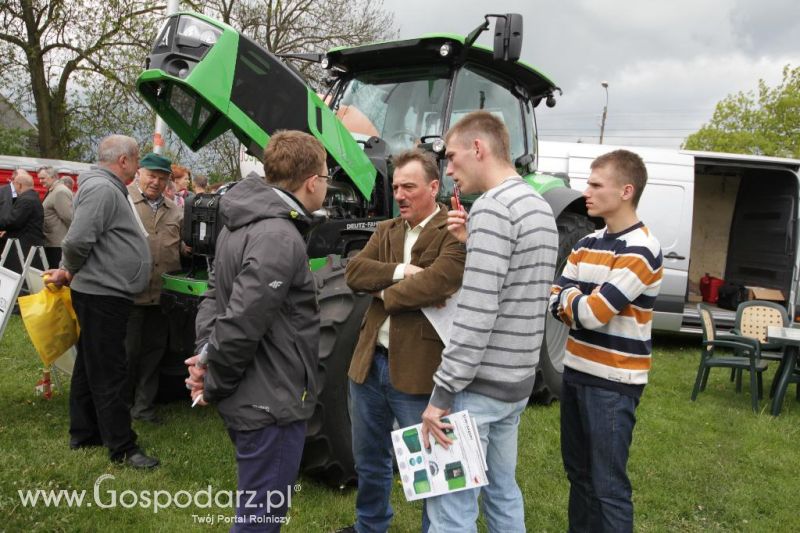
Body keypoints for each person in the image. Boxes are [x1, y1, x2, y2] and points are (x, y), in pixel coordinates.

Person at [420, 111, 558, 533]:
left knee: (452, 510)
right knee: (502, 491)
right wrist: (472, 242)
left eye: (451, 156)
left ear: (478, 148)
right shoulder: (537, 207)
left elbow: (478, 312)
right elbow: (518, 288)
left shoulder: (494, 209)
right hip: (515, 384)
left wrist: (441, 396)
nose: (448, 169)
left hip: (476, 391)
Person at [185, 130, 328, 531]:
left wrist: (204, 358)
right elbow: (243, 320)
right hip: (270, 403)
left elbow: (215, 297)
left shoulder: (241, 222)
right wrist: (211, 379)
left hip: (255, 394)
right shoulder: (278, 236)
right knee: (260, 519)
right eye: (327, 176)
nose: (327, 185)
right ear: (311, 181)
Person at [341, 149, 466, 533]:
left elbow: (441, 281)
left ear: (433, 187)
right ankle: (370, 525)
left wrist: (383, 294)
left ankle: (436, 528)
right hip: (369, 364)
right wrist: (403, 271)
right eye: (396, 187)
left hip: (419, 371)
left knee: (434, 464)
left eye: (408, 187)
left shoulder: (455, 230)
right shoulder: (387, 229)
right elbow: (354, 272)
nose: (399, 194)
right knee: (369, 458)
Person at [549, 150, 663, 533]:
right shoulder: (586, 242)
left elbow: (592, 314)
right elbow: (556, 297)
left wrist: (573, 299)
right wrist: (575, 299)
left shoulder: (643, 249)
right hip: (577, 373)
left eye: (596, 185)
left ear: (626, 191)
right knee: (579, 477)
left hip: (614, 385)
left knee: (608, 486)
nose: (587, 193)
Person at [43, 134, 158, 469]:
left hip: (103, 291)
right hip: (102, 293)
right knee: (109, 370)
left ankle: (84, 432)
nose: (138, 166)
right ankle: (122, 447)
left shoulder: (105, 186)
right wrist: (68, 270)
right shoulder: (102, 188)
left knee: (89, 365)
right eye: (137, 159)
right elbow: (77, 240)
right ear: (123, 160)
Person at [124, 153, 184, 424]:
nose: (156, 182)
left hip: (161, 296)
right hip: (129, 295)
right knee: (127, 353)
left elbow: (179, 247)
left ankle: (144, 408)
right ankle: (121, 406)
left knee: (154, 354)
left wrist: (188, 248)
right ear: (139, 173)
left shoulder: (176, 210)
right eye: (151, 175)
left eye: (162, 178)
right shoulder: (124, 202)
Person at [0, 169, 44, 273]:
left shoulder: (26, 200)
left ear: (19, 185)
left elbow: (13, 221)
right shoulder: (33, 197)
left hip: (23, 246)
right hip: (27, 244)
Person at [39, 166, 73, 268]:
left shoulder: (60, 191)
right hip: (52, 243)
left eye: (43, 178)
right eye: (39, 178)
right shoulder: (53, 190)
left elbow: (70, 218)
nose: (40, 181)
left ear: (53, 177)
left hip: (57, 245)